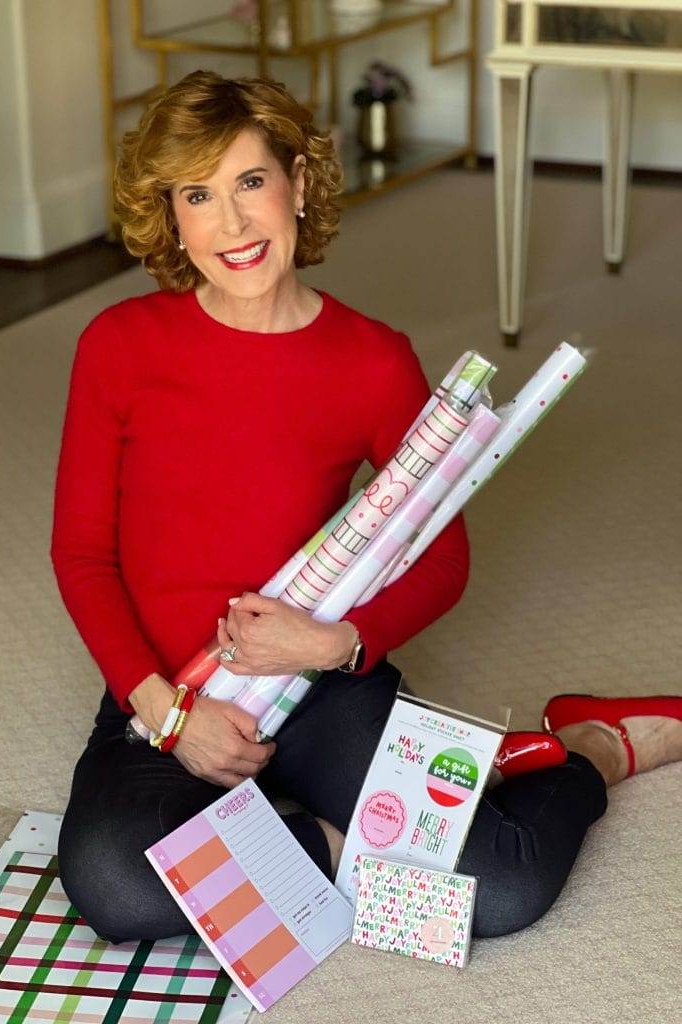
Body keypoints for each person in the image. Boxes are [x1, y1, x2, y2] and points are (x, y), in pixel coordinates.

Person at [50, 70, 682, 944]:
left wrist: (332, 645)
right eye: (198, 195)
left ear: (299, 185)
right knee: (112, 884)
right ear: (171, 215)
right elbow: (82, 556)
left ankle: (589, 750)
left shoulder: (374, 361)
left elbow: (446, 559)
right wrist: (169, 714)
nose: (231, 224)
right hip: (173, 693)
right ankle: (344, 844)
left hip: (321, 688)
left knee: (499, 892)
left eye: (251, 182)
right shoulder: (117, 347)